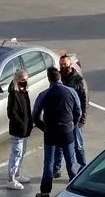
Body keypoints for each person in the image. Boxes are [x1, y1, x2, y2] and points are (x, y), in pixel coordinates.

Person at [33, 66, 82, 197]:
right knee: (71, 162)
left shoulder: (44, 94)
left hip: (50, 133)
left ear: (49, 79)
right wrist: (72, 125)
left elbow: (35, 115)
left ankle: (45, 191)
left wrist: (44, 127)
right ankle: (74, 190)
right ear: (59, 76)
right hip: (67, 132)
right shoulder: (70, 92)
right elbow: (78, 111)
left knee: (48, 163)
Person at [52, 54, 88, 178]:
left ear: (70, 65)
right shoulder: (59, 79)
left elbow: (84, 100)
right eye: (61, 65)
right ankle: (56, 169)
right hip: (61, 118)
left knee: (78, 145)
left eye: (65, 65)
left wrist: (82, 119)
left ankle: (83, 168)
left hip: (75, 119)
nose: (63, 67)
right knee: (59, 145)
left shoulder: (78, 80)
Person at [6, 69, 33, 191]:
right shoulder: (14, 94)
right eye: (23, 80)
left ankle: (17, 174)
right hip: (18, 130)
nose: (25, 82)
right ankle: (11, 179)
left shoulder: (24, 92)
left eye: (26, 80)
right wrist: (22, 125)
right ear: (17, 80)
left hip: (25, 129)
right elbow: (12, 112)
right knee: (16, 154)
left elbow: (27, 110)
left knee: (22, 153)